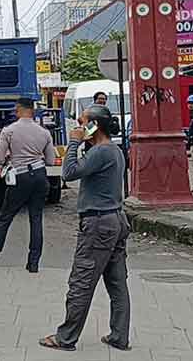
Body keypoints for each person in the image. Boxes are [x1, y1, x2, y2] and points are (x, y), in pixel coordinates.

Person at [40, 105, 130, 352]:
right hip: (116, 219)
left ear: (94, 125)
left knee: (81, 280)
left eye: (82, 122)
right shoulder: (114, 150)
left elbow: (69, 173)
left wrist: (73, 143)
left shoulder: (100, 151)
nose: (78, 127)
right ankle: (119, 335)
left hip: (98, 224)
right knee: (117, 282)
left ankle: (66, 337)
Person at [0, 97, 58, 272]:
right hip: (39, 176)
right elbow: (50, 161)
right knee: (36, 219)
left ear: (18, 109)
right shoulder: (44, 133)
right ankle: (33, 263)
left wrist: (10, 158)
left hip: (20, 177)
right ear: (32, 110)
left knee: (6, 217)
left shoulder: (9, 131)